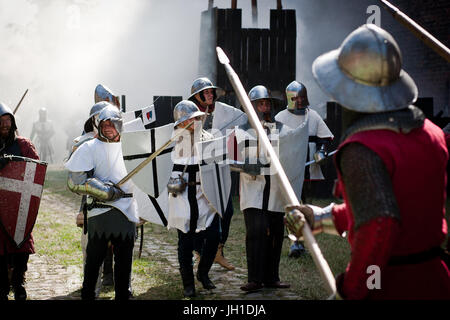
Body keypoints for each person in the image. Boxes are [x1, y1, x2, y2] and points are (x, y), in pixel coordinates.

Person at [286, 24, 450, 299]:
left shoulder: (363, 148)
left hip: (393, 286)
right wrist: (321, 218)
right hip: (437, 280)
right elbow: (385, 204)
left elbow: (379, 224)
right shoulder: (432, 133)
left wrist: (352, 291)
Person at [65, 103, 138, 300]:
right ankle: (88, 296)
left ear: (119, 125)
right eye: (104, 124)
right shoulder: (89, 147)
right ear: (98, 125)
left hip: (127, 211)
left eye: (112, 123)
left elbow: (148, 177)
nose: (108, 127)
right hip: (99, 212)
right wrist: (105, 191)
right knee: (93, 263)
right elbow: (75, 181)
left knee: (124, 264)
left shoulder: (133, 146)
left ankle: (124, 295)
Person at [235, 85, 302, 292]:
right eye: (260, 104)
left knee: (275, 234)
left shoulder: (283, 130)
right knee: (255, 233)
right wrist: (247, 165)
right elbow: (232, 158)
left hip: (275, 192)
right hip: (253, 189)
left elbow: (294, 149)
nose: (264, 107)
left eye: (266, 103)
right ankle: (255, 279)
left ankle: (272, 277)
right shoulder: (241, 130)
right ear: (252, 107)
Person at [188, 77, 244, 271]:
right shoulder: (189, 112)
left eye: (212, 91)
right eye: (207, 92)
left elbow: (241, 121)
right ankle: (198, 252)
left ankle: (218, 251)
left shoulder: (224, 111)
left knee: (226, 211)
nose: (211, 94)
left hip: (219, 169)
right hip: (197, 173)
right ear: (197, 95)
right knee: (198, 214)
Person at [167, 100, 221, 297]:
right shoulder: (174, 140)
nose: (196, 121)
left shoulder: (208, 138)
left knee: (214, 236)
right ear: (181, 123)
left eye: (197, 118)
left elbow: (217, 167)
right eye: (192, 119)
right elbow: (171, 169)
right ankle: (188, 284)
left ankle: (203, 273)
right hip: (182, 197)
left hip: (205, 196)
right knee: (186, 242)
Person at [275, 81, 333, 258]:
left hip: (308, 167)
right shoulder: (280, 118)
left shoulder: (312, 116)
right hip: (290, 166)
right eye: (296, 98)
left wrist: (322, 151)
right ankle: (295, 241)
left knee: (304, 204)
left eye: (302, 97)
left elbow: (325, 138)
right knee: (292, 204)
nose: (299, 101)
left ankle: (302, 239)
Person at [0, 102, 39, 300]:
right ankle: (3, 286)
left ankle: (19, 281)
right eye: (1, 121)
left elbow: (36, 168)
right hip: (0, 209)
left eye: (8, 120)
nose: (5, 124)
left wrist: (16, 162)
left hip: (19, 206)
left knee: (21, 249)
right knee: (1, 252)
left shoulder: (23, 144)